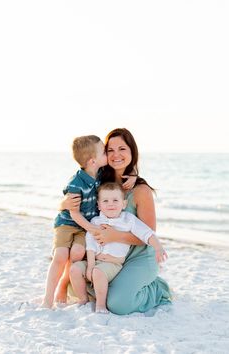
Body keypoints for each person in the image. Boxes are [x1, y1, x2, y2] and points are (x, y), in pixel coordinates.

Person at [61, 128, 172, 315]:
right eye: (110, 150)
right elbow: (74, 194)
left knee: (118, 305)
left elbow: (148, 233)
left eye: (122, 149)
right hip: (106, 256)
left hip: (138, 256)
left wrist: (114, 236)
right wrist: (64, 203)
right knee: (78, 283)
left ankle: (158, 288)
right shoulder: (98, 181)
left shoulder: (140, 190)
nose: (116, 155)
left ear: (132, 152)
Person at [70, 182, 167, 313]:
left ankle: (101, 305)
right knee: (74, 270)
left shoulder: (128, 220)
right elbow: (91, 246)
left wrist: (158, 247)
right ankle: (83, 299)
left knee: (98, 273)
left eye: (115, 200)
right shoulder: (95, 221)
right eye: (105, 201)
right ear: (98, 205)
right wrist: (90, 265)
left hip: (113, 264)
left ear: (124, 204)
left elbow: (146, 233)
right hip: (95, 261)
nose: (111, 204)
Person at [41, 135, 107, 308]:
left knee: (77, 253)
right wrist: (92, 228)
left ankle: (64, 282)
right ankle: (48, 298)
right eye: (104, 151)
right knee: (61, 256)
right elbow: (74, 213)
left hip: (83, 227)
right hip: (67, 224)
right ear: (93, 161)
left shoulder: (100, 176)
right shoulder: (75, 184)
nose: (107, 153)